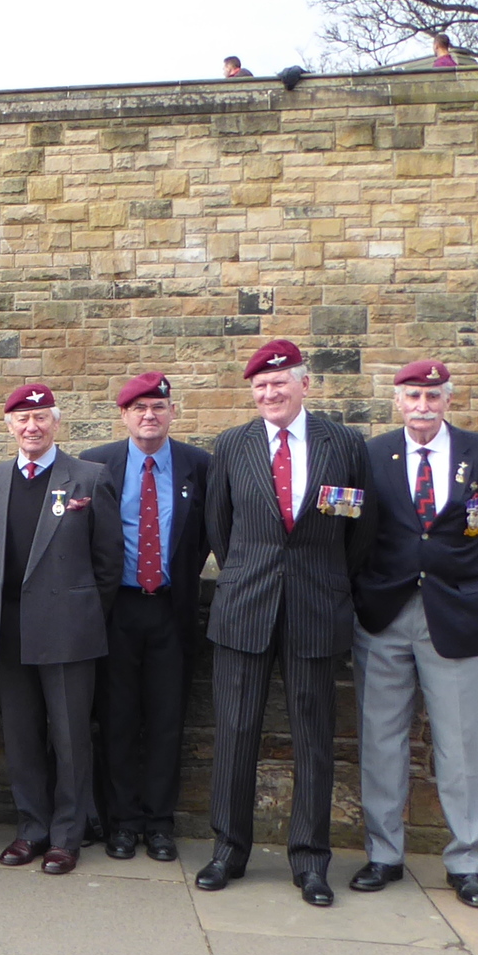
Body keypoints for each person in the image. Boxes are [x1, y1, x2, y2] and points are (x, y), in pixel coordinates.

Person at [199, 339, 378, 906]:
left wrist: (321, 581)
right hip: (245, 607)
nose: (270, 393)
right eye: (260, 386)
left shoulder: (345, 444)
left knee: (313, 739)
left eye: (280, 383)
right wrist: (253, 577)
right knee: (235, 733)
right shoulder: (231, 446)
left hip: (317, 607)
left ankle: (310, 860)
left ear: (305, 384)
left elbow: (360, 531)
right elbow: (219, 530)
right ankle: (228, 850)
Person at [352, 359, 478, 910]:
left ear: (448, 400)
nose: (423, 406)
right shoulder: (369, 455)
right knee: (380, 739)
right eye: (413, 396)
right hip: (385, 612)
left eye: (433, 396)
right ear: (397, 400)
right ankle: (383, 854)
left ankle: (466, 862)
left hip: (454, 612)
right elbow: (354, 526)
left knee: (462, 745)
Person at [0, 383, 121, 874]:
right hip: (11, 629)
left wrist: (83, 616)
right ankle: (31, 829)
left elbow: (108, 563)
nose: (31, 426)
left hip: (68, 632)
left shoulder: (88, 476)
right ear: (9, 426)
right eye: (22, 418)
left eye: (41, 417)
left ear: (56, 423)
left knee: (69, 738)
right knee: (20, 737)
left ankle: (67, 835)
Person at [80, 372, 211, 862]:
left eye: (158, 407)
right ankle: (122, 822)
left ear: (172, 412)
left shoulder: (199, 464)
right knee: (115, 720)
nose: (149, 416)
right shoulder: (97, 464)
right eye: (139, 409)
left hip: (171, 611)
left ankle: (159, 823)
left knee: (165, 721)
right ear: (124, 416)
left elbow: (206, 535)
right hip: (117, 610)